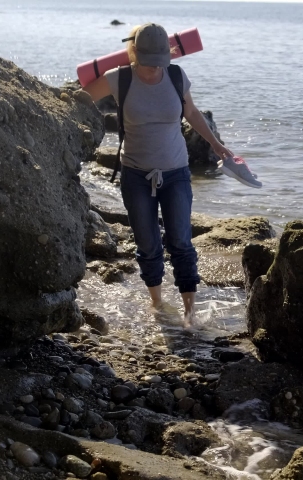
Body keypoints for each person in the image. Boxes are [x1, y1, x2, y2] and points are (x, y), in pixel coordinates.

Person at [82, 23, 232, 327]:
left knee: (181, 242)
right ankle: (158, 304)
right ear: (134, 52)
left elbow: (191, 112)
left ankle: (190, 314)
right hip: (135, 174)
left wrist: (216, 144)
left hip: (176, 171)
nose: (153, 69)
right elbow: (80, 98)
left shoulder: (176, 76)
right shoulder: (119, 78)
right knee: (148, 244)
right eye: (148, 61)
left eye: (159, 62)